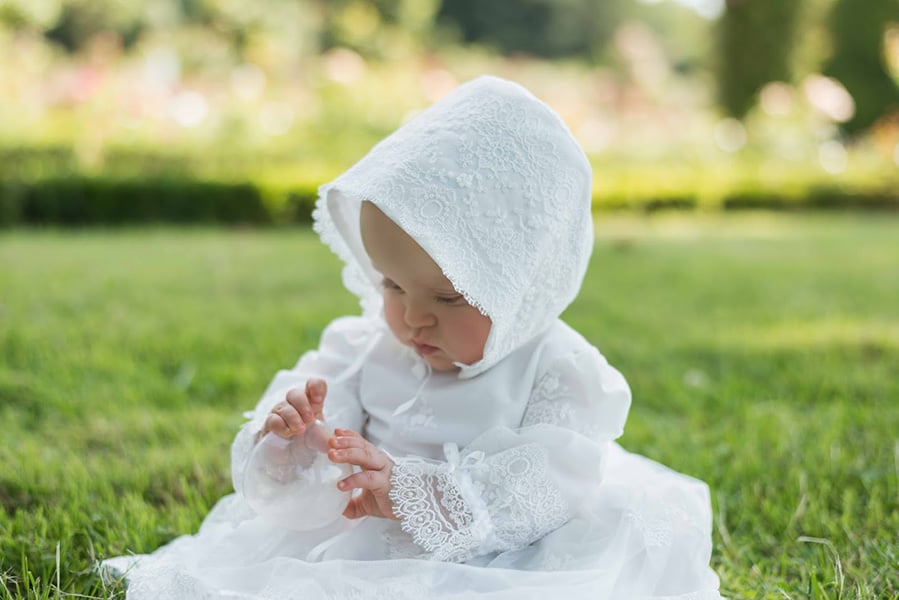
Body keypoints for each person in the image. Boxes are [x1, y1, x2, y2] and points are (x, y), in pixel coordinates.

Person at [103, 75, 722, 599]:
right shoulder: (365, 346)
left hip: (491, 546)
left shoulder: (558, 371)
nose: (412, 318)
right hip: (358, 534)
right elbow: (325, 438)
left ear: (525, 285)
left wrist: (410, 493)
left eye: (447, 298)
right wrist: (298, 440)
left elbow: (541, 489)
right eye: (393, 286)